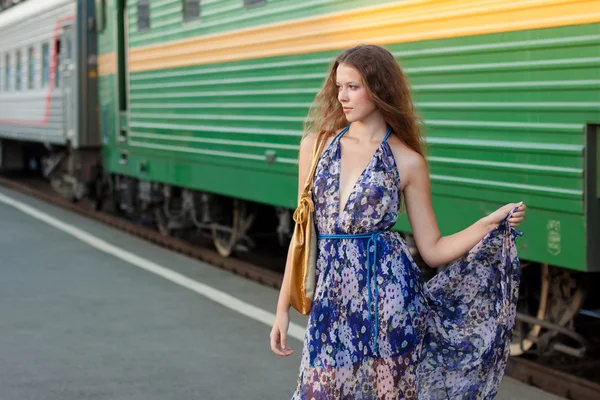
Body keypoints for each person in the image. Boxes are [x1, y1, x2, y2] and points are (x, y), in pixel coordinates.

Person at [270, 44, 527, 399]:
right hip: (332, 304)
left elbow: (434, 250)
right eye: (339, 87)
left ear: (379, 88)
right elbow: (302, 235)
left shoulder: (406, 160)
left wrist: (489, 223)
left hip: (390, 306)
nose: (342, 96)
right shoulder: (316, 146)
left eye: (353, 87)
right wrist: (282, 309)